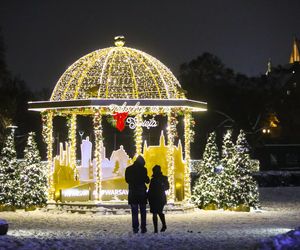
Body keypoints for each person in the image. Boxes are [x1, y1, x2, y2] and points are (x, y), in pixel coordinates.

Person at [125, 155, 150, 233]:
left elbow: (127, 180)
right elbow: (147, 181)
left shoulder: (129, 169)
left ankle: (135, 228)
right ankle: (143, 227)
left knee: (134, 212)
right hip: (141, 192)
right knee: (143, 211)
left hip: (133, 192)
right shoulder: (143, 169)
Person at [147, 165, 169, 233]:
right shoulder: (153, 179)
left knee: (158, 212)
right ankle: (156, 229)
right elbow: (150, 189)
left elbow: (167, 187)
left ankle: (162, 226)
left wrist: (161, 187)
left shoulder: (163, 178)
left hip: (159, 197)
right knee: (155, 213)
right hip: (155, 197)